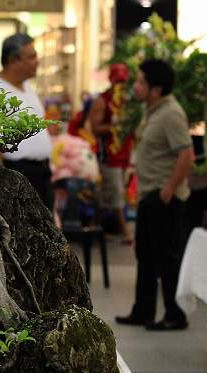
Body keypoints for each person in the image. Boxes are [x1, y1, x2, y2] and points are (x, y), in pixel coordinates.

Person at [116, 59, 195, 331]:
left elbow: (186, 154)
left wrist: (169, 190)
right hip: (149, 193)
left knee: (167, 258)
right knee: (147, 255)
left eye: (141, 82)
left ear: (156, 88)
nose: (136, 86)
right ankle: (143, 310)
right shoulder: (152, 110)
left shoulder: (171, 113)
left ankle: (176, 314)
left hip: (164, 196)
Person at [0, 33, 53, 209]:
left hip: (42, 172)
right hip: (18, 172)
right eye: (32, 57)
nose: (37, 61)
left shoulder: (27, 87)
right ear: (14, 60)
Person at [89, 63, 134, 243]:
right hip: (109, 156)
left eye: (123, 81)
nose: (120, 85)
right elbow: (95, 129)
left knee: (109, 195)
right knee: (115, 193)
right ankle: (126, 232)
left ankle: (93, 227)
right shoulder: (102, 101)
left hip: (124, 155)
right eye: (118, 81)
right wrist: (113, 125)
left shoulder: (127, 101)